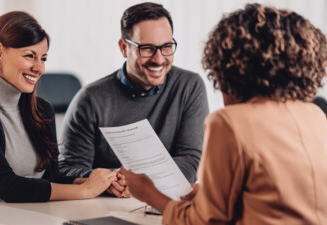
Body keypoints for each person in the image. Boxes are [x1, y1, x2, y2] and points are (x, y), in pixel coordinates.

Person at [121, 3, 327, 224]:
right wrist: (212, 192)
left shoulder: (229, 123)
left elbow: (203, 222)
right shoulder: (315, 116)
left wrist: (149, 193)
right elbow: (279, 197)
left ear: (229, 67)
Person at [0, 11, 116, 225]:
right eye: (30, 55)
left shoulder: (42, 110)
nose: (39, 68)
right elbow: (8, 187)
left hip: (25, 217)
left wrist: (99, 182)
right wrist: (85, 191)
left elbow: (51, 178)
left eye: (44, 58)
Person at [58, 2, 209, 198]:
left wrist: (140, 181)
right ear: (123, 47)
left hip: (163, 202)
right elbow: (67, 169)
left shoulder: (189, 86)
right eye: (147, 48)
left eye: (167, 46)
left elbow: (190, 159)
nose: (159, 59)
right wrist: (110, 179)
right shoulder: (90, 99)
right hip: (105, 206)